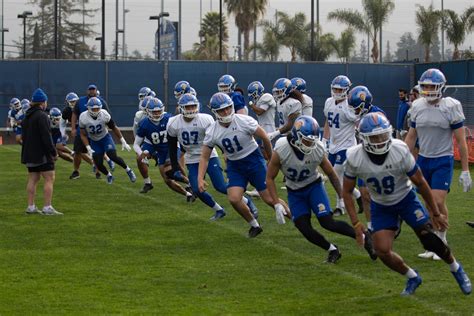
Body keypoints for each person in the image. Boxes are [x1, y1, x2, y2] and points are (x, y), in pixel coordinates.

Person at [343, 112, 471, 296]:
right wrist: (355, 222)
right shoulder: (354, 156)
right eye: (374, 137)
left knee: (428, 237)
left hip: (406, 199)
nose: (379, 141)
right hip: (381, 205)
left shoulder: (399, 150)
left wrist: (435, 213)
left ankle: (456, 268)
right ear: (363, 139)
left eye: (383, 135)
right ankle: (412, 276)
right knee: (381, 250)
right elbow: (346, 191)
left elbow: (420, 183)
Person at [266, 116, 376, 263]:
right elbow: (270, 178)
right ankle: (332, 250)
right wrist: (276, 203)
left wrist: (341, 196)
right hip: (294, 191)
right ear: (297, 136)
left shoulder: (316, 149)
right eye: (306, 140)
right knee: (303, 226)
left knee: (327, 222)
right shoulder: (282, 148)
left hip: (313, 186)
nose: (310, 144)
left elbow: (330, 173)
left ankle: (364, 236)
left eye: (312, 140)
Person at [405, 68, 472, 260]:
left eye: (432, 86)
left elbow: (461, 140)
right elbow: (411, 136)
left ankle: (442, 239)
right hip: (423, 159)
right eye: (425, 86)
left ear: (441, 87)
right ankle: (434, 242)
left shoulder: (450, 106)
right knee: (428, 204)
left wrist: (465, 169)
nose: (428, 89)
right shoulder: (417, 106)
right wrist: (402, 157)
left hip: (443, 159)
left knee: (438, 201)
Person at [199, 92, 273, 237]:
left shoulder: (243, 120)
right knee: (233, 198)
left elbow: (264, 136)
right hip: (235, 165)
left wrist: (270, 158)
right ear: (215, 112)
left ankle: (295, 218)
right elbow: (204, 157)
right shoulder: (212, 131)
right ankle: (255, 225)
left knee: (269, 199)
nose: (226, 112)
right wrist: (200, 178)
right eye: (221, 110)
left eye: (227, 108)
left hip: (253, 159)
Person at [167, 93, 228, 220]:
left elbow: (216, 139)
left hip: (209, 156)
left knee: (221, 186)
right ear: (181, 108)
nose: (191, 109)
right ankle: (219, 210)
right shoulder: (173, 123)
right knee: (196, 189)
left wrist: (225, 152)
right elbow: (172, 147)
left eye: (193, 106)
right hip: (192, 159)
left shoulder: (205, 119)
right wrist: (175, 168)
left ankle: (245, 201)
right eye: (188, 107)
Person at [132, 97, 194, 199]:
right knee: (167, 179)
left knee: (170, 171)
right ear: (147, 112)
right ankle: (188, 194)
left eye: (159, 111)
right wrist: (141, 153)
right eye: (154, 112)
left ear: (163, 109)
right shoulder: (144, 123)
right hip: (159, 150)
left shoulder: (169, 118)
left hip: (172, 147)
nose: (157, 114)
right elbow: (136, 144)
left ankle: (192, 184)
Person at [346, 85, 387, 230]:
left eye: (356, 107)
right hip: (365, 156)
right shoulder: (360, 116)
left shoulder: (377, 115)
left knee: (381, 195)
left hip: (379, 158)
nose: (354, 110)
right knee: (364, 194)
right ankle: (371, 226)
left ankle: (393, 218)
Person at [322, 75, 364, 217]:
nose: (337, 92)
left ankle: (340, 206)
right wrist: (324, 139)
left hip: (347, 145)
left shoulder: (350, 105)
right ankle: (358, 196)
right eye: (335, 89)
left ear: (347, 90)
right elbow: (328, 121)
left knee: (336, 172)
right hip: (333, 145)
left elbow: (357, 121)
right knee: (336, 176)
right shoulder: (329, 102)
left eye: (340, 89)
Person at [21, 88, 62, 215]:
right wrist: (53, 152)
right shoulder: (42, 116)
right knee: (49, 178)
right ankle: (47, 207)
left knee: (33, 178)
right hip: (42, 154)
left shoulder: (26, 116)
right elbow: (46, 137)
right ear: (43, 102)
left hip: (29, 153)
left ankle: (31, 206)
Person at [79, 97, 136, 184]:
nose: (96, 110)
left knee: (112, 155)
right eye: (93, 109)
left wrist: (123, 141)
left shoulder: (104, 114)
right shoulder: (83, 117)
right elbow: (83, 134)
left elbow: (114, 127)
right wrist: (88, 147)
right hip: (94, 141)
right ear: (88, 108)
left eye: (97, 108)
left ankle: (128, 170)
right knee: (98, 163)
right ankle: (109, 175)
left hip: (105, 138)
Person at [70, 84, 113, 180]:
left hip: (96, 132)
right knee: (77, 151)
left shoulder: (101, 101)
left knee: (97, 152)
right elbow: (74, 114)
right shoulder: (80, 101)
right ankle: (76, 171)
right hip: (82, 131)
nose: (92, 91)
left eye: (93, 90)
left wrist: (106, 127)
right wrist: (73, 128)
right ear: (87, 91)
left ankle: (98, 172)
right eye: (90, 90)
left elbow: (107, 116)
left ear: (96, 90)